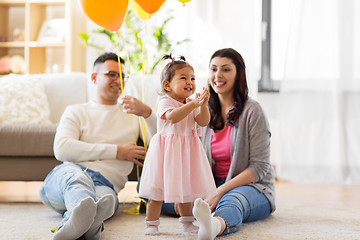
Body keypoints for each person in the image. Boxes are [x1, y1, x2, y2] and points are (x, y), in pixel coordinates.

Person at [39, 52, 156, 240]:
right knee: (79, 184)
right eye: (112, 74)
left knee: (106, 199)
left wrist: (148, 114)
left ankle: (85, 225)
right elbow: (62, 148)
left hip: (106, 183)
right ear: (94, 77)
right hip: (70, 175)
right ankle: (87, 217)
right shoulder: (76, 111)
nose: (119, 80)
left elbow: (161, 143)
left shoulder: (133, 114)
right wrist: (117, 151)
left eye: (123, 76)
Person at [191, 48, 276, 239]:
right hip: (211, 184)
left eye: (226, 69)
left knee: (232, 201)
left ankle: (214, 226)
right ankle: (206, 210)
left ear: (239, 74)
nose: (218, 75)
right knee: (158, 193)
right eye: (213, 69)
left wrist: (220, 191)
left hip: (252, 187)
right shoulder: (203, 111)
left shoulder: (252, 111)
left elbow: (259, 168)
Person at [138, 54, 217, 235]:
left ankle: (187, 223)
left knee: (186, 190)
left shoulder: (191, 103)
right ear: (167, 85)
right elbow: (173, 117)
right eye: (183, 78)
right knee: (157, 192)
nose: (190, 82)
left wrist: (203, 105)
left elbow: (203, 122)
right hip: (166, 153)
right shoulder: (165, 101)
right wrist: (193, 104)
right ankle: (151, 223)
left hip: (186, 152)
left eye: (192, 78)